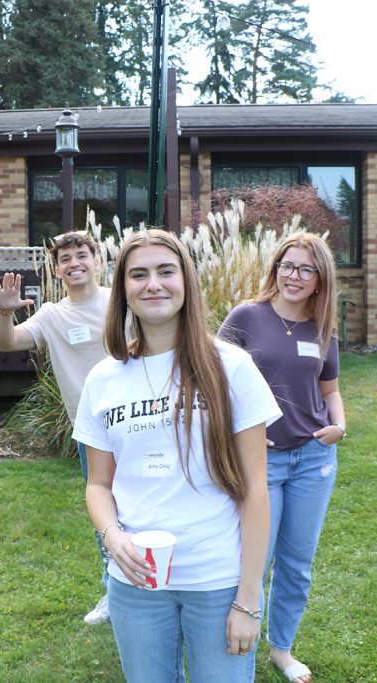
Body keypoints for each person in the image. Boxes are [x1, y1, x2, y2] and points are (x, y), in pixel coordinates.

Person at [73, 229, 282, 682]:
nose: (153, 284)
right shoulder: (104, 379)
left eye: (166, 271)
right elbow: (98, 484)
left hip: (217, 581)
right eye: (138, 275)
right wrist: (112, 538)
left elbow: (255, 490)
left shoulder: (231, 366)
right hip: (135, 584)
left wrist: (249, 599)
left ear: (186, 281)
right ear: (123, 290)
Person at [219, 230, 345, 683]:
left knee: (297, 562)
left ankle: (282, 650)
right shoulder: (247, 316)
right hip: (262, 461)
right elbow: (214, 379)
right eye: (287, 266)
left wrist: (340, 425)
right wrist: (240, 432)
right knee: (254, 559)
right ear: (275, 269)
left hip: (314, 458)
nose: (294, 276)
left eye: (306, 269)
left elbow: (329, 389)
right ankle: (238, 641)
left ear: (319, 279)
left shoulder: (322, 327)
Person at [0, 229, 112, 625]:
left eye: (82, 255)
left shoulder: (120, 301)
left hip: (139, 423)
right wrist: (5, 313)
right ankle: (114, 590)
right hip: (92, 434)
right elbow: (7, 343)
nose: (74, 263)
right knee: (105, 513)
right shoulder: (52, 315)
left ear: (97, 261)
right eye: (65, 259)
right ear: (57, 269)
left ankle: (155, 584)